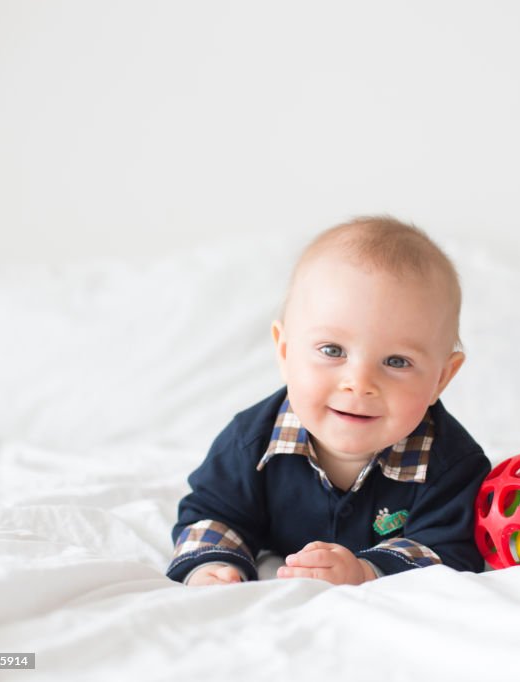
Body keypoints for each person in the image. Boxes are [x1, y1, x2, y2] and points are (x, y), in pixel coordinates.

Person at [166, 216, 490, 586]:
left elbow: (451, 547)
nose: (359, 383)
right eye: (332, 350)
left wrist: (367, 570)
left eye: (397, 361)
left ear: (441, 378)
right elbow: (211, 513)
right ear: (285, 352)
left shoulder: (451, 465)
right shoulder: (250, 442)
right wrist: (212, 566)